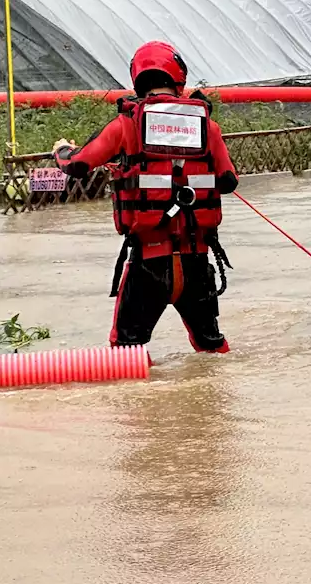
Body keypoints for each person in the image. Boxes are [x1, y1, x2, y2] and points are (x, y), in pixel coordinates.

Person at [51, 41, 238, 353]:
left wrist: (61, 151)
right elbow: (229, 182)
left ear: (137, 79)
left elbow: (77, 164)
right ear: (179, 78)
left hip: (149, 265)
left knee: (126, 354)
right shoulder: (208, 126)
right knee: (212, 351)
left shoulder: (125, 124)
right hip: (196, 262)